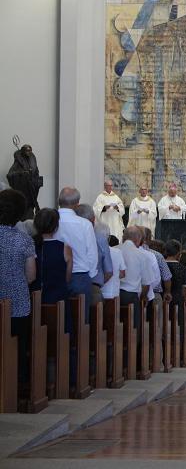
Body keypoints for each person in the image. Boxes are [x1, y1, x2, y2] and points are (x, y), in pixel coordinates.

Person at [0, 189, 37, 392]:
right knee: (17, 347)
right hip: (17, 305)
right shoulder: (24, 240)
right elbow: (31, 276)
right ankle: (16, 386)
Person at [54, 187, 98, 302]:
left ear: (59, 201)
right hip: (80, 276)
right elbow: (92, 254)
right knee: (81, 317)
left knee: (55, 316)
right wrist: (89, 275)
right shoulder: (85, 224)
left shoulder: (52, 221)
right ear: (77, 204)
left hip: (55, 274)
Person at [74, 204, 114, 308]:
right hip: (92, 286)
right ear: (93, 219)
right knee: (94, 320)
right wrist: (96, 283)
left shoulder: (67, 234)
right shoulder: (100, 238)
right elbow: (109, 271)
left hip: (70, 284)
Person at [32, 208, 72, 306]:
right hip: (58, 298)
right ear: (56, 227)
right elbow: (67, 278)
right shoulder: (64, 248)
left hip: (34, 298)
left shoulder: (29, 245)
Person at [119, 226, 153, 328]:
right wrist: (143, 297)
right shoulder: (143, 255)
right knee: (132, 327)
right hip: (131, 295)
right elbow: (146, 283)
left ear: (123, 237)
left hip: (113, 294)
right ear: (138, 239)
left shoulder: (114, 249)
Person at [6, 144, 42, 219]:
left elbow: (36, 173)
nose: (29, 153)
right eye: (27, 151)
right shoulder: (18, 163)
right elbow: (10, 175)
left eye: (30, 151)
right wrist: (22, 173)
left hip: (32, 191)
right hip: (23, 191)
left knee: (30, 213)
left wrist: (36, 180)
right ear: (23, 151)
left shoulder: (33, 161)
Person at [102, 235, 126, 301]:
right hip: (112, 292)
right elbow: (122, 274)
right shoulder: (117, 252)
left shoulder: (92, 250)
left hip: (96, 291)